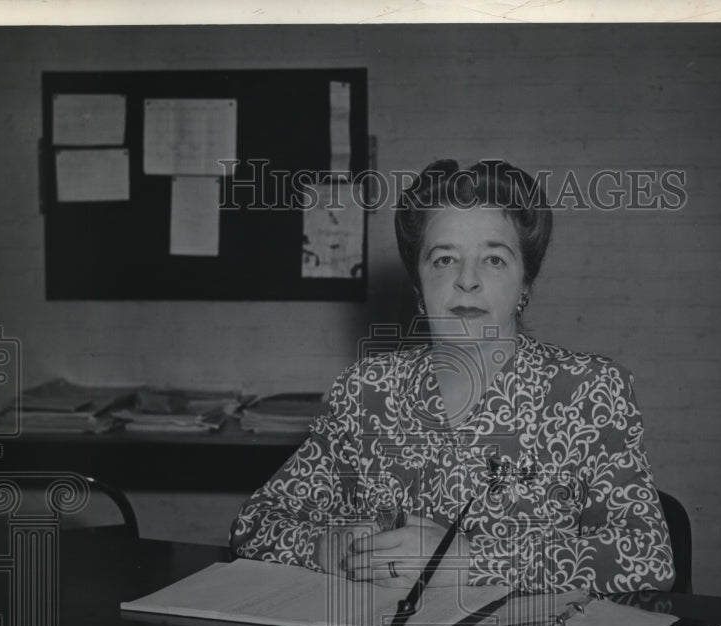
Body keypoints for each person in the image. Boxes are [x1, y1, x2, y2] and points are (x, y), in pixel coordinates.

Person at [231, 160, 674, 595]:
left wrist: (466, 561)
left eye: (494, 260)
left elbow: (646, 554)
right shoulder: (367, 391)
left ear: (526, 285)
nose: (467, 281)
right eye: (444, 259)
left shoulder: (590, 390)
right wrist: (327, 547)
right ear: (419, 287)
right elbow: (257, 522)